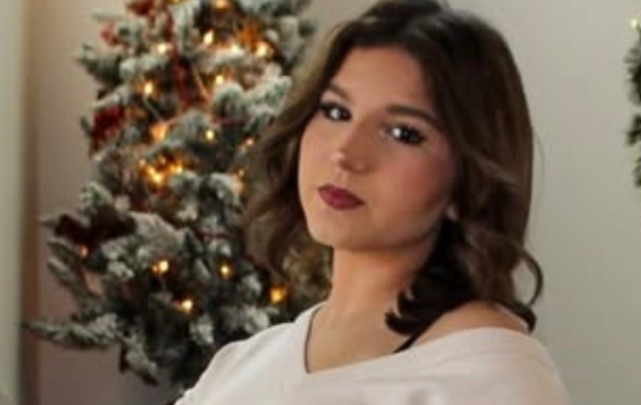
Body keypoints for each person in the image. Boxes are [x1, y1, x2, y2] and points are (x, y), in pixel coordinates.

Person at [175, 0, 570, 403]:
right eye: (336, 111)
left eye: (402, 133)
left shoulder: (489, 377)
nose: (345, 152)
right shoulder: (243, 364)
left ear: (469, 181)